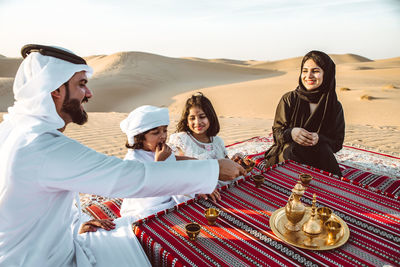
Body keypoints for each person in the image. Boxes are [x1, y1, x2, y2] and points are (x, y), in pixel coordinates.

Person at [0, 44, 245, 267]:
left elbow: (41, 199)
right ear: (55, 90)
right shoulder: (41, 146)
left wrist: (77, 223)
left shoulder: (14, 129)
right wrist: (213, 169)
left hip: (52, 246)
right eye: (81, 84)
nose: (89, 93)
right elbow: (127, 177)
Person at [264, 50, 345, 176]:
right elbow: (277, 133)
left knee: (333, 181)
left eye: (316, 71)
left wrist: (319, 138)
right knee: (291, 149)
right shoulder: (289, 99)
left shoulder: (334, 106)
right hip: (289, 154)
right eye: (305, 70)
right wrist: (291, 133)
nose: (308, 76)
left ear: (327, 74)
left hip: (319, 156)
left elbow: (337, 143)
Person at [119, 105, 195, 219]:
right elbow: (146, 192)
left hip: (170, 202)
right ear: (140, 137)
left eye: (165, 130)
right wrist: (159, 163)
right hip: (144, 209)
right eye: (156, 132)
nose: (163, 136)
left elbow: (175, 177)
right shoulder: (132, 159)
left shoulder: (163, 151)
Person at [169, 93, 234, 190]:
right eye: (192, 118)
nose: (197, 122)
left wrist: (235, 162)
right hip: (197, 193)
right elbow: (172, 169)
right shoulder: (181, 140)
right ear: (187, 121)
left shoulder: (217, 141)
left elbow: (226, 163)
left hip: (226, 190)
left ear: (210, 117)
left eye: (202, 117)